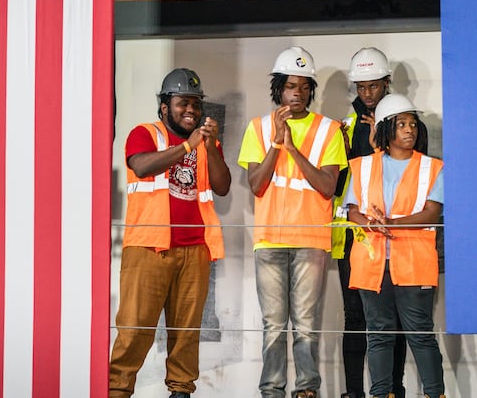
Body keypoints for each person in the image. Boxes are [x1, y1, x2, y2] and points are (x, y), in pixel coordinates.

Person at [109, 68, 231, 398]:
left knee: (186, 334)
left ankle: (180, 391)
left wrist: (210, 147)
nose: (190, 110)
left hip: (195, 251)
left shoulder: (206, 143)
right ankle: (117, 390)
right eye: (182, 104)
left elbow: (222, 186)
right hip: (149, 249)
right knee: (134, 331)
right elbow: (142, 166)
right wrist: (187, 147)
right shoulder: (144, 133)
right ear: (165, 106)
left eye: (195, 104)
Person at [237, 47, 347, 398]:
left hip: (311, 241)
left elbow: (328, 188)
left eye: (303, 87)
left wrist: (294, 149)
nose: (297, 93)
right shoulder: (259, 127)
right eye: (290, 86)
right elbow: (257, 185)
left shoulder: (329, 130)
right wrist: (276, 144)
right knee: (272, 325)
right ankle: (271, 390)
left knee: (305, 324)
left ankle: (306, 389)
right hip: (269, 241)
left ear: (310, 90)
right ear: (278, 90)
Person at [344, 94, 445, 398]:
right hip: (372, 262)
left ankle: (434, 393)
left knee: (420, 335)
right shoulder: (362, 166)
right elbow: (352, 211)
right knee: (378, 335)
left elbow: (431, 212)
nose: (409, 130)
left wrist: (391, 224)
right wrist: (369, 222)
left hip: (414, 262)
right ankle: (381, 394)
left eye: (413, 124)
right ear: (387, 129)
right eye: (401, 124)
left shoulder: (432, 167)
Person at [333, 48, 407, 398]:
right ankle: (353, 392)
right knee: (355, 317)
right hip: (355, 234)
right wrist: (349, 151)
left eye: (373, 86)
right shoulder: (344, 126)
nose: (366, 94)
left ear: (386, 83)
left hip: (394, 234)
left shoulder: (406, 125)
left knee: (393, 318)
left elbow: (407, 176)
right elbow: (338, 184)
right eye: (361, 87)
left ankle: (393, 389)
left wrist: (380, 144)